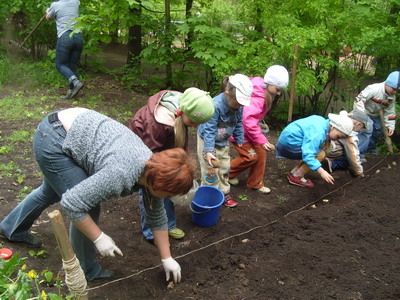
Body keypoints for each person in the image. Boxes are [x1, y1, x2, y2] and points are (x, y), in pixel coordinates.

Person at [0, 108, 195, 283]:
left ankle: (12, 228)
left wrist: (166, 257)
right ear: (157, 184)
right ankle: (85, 270)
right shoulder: (122, 174)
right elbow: (72, 204)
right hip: (54, 139)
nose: (169, 198)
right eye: (169, 193)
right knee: (86, 205)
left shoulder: (152, 169)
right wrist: (98, 237)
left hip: (70, 129)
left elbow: (156, 214)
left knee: (50, 191)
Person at [128, 87, 214, 243]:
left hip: (162, 149)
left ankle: (168, 224)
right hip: (146, 152)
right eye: (194, 122)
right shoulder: (158, 124)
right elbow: (149, 158)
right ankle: (151, 232)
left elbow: (181, 143)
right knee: (152, 192)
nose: (195, 126)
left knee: (169, 188)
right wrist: (166, 172)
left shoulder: (183, 111)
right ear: (185, 112)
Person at [228, 65, 289, 194]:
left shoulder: (259, 87)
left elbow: (250, 117)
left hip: (247, 131)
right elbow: (247, 120)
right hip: (239, 133)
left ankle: (255, 183)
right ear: (268, 83)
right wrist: (262, 140)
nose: (278, 93)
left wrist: (258, 125)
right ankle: (226, 173)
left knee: (261, 154)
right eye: (277, 89)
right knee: (250, 157)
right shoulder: (258, 98)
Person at [197, 74, 253, 208]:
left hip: (222, 141)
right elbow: (209, 130)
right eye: (237, 103)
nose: (239, 106)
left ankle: (224, 192)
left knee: (224, 167)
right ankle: (210, 194)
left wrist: (240, 138)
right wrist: (209, 151)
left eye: (241, 104)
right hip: (208, 142)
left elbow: (239, 122)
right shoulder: (215, 106)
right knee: (210, 170)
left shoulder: (239, 105)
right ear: (227, 94)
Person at [276, 112, 354, 188]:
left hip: (286, 141)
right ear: (333, 127)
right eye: (338, 136)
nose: (338, 139)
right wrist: (322, 172)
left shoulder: (322, 122)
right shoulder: (318, 133)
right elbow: (308, 155)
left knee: (327, 148)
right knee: (320, 154)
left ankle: (295, 173)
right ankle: (296, 176)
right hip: (289, 145)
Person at [354, 71, 399, 155]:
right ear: (388, 83)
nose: (395, 92)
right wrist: (361, 115)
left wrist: (391, 126)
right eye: (394, 89)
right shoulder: (374, 89)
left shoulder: (392, 97)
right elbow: (359, 100)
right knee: (367, 129)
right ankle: (359, 153)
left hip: (376, 115)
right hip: (364, 112)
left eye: (397, 90)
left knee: (377, 132)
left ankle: (371, 150)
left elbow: (390, 112)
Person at [46, 0, 84, 99]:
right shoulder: (76, 2)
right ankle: (71, 93)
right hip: (78, 36)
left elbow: (48, 18)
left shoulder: (55, 5)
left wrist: (47, 11)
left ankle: (75, 82)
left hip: (65, 37)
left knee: (60, 64)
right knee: (72, 66)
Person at [325, 109, 369, 177]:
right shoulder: (350, 135)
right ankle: (330, 163)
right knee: (348, 161)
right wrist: (359, 172)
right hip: (330, 153)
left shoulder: (339, 121)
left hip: (323, 148)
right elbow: (353, 155)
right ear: (358, 124)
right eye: (362, 127)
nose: (360, 130)